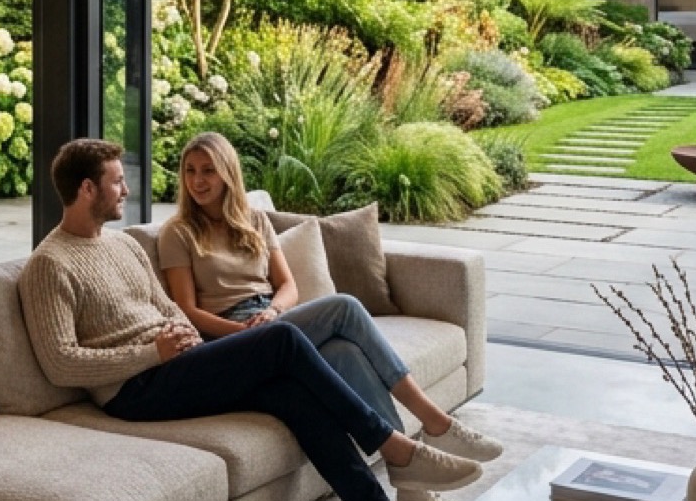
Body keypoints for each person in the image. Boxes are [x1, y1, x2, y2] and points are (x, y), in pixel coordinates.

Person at [20, 139, 485, 501]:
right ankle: (394, 446)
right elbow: (61, 363)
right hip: (134, 391)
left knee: (293, 394)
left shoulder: (121, 245)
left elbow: (168, 306)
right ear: (86, 189)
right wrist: (152, 353)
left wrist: (182, 336)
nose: (126, 191)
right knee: (283, 337)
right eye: (117, 182)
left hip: (177, 362)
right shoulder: (49, 264)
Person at [159, 132, 502, 471]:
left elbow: (287, 284)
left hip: (270, 316)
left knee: (345, 353)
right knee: (345, 306)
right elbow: (188, 311)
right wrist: (246, 330)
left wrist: (273, 311)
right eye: (190, 170)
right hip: (230, 336)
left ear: (227, 173)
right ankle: (437, 423)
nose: (197, 180)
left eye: (208, 170)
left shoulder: (255, 220)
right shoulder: (178, 231)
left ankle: (406, 471)